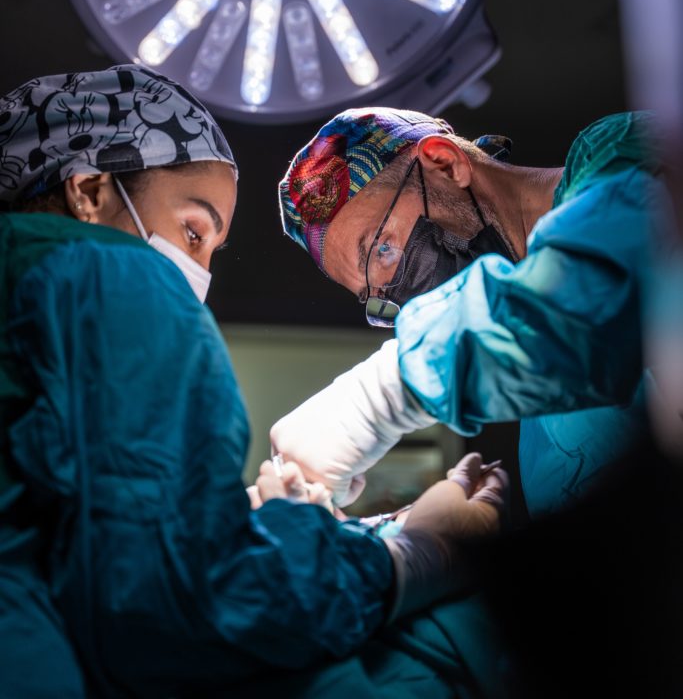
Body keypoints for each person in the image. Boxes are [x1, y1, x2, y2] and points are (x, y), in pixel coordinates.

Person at [0, 66, 506, 699]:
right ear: (91, 191)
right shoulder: (109, 278)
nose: (196, 278)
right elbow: (195, 609)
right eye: (193, 231)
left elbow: (87, 556)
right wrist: (415, 553)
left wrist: (242, 528)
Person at [274, 107, 663, 516]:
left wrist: (380, 394)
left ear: (444, 164)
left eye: (382, 249)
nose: (399, 297)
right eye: (378, 298)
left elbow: (598, 292)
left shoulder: (622, 155)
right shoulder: (536, 403)